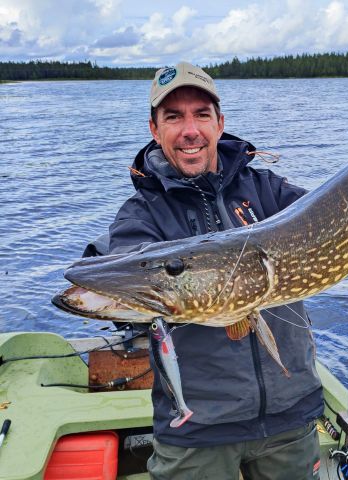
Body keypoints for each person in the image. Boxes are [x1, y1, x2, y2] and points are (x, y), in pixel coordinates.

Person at [86, 61, 324, 479]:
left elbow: (328, 220)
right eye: (174, 117)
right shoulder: (141, 215)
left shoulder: (266, 189)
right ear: (155, 130)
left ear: (219, 123)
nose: (189, 130)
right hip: (198, 430)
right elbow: (132, 277)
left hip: (291, 415)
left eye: (201, 114)